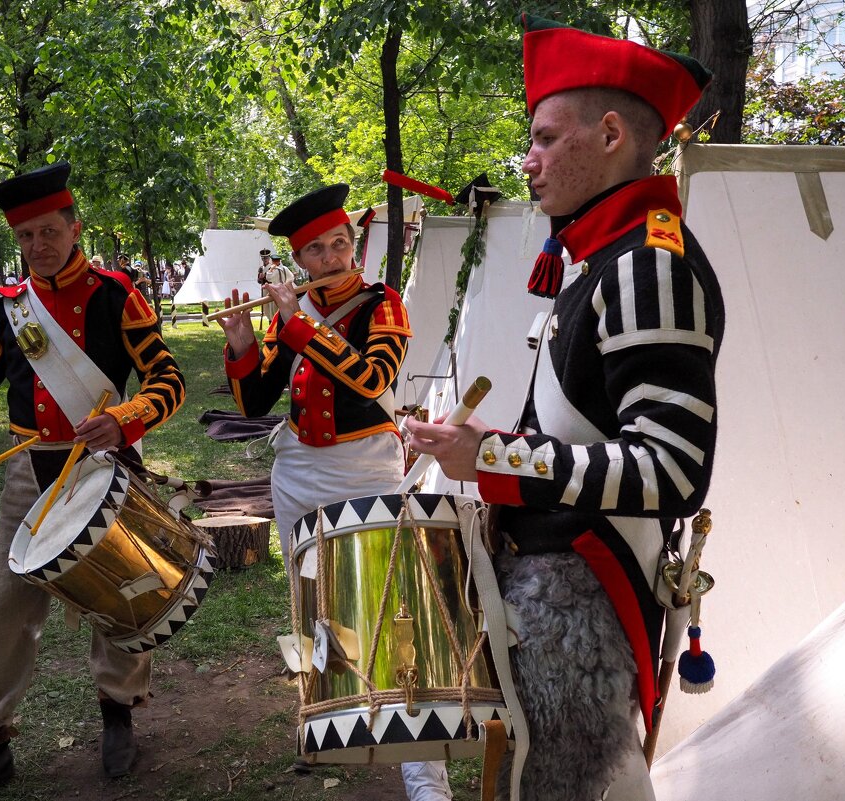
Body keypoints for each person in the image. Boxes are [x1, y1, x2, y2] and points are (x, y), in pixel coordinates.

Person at [405, 16, 724, 801]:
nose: (529, 159)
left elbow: (673, 469)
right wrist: (483, 445)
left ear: (611, 133)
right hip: (553, 595)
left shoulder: (650, 263)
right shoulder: (609, 258)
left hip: (584, 609)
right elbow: (580, 430)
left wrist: (496, 457)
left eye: (546, 137)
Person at [0, 162, 185, 801]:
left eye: (47, 232)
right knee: (6, 610)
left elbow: (168, 381)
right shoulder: (6, 310)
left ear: (73, 226)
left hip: (106, 464)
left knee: (120, 597)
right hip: (27, 473)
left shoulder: (120, 295)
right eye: (26, 237)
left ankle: (118, 713)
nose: (37, 247)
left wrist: (125, 418)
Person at [217, 185, 451, 801]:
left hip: (366, 467)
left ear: (352, 245)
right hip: (296, 469)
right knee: (313, 602)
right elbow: (254, 403)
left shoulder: (384, 305)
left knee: (392, 606)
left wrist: (296, 324)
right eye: (317, 250)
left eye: (340, 244)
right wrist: (244, 344)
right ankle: (328, 722)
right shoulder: (288, 315)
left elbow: (373, 376)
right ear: (302, 259)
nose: (332, 258)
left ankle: (423, 774)